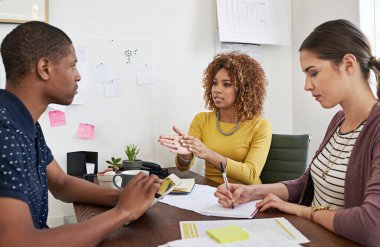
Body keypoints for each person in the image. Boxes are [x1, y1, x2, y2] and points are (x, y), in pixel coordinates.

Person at [215, 19, 380, 246]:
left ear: (348, 64)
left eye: (313, 73)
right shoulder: (339, 120)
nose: (307, 85)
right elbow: (307, 183)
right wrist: (252, 192)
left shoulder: (377, 128)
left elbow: (372, 224)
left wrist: (303, 211)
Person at [0, 21, 160, 246]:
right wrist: (123, 212)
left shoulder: (26, 122)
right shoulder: (5, 131)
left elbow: (61, 183)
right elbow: (18, 242)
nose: (78, 76)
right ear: (44, 68)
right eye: (73, 66)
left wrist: (124, 197)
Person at [159, 52, 272, 185]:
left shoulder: (260, 126)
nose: (216, 90)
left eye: (226, 84)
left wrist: (208, 153)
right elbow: (183, 168)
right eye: (214, 83)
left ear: (244, 89)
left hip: (246, 196)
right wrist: (186, 154)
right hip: (211, 192)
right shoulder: (201, 120)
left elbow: (250, 174)